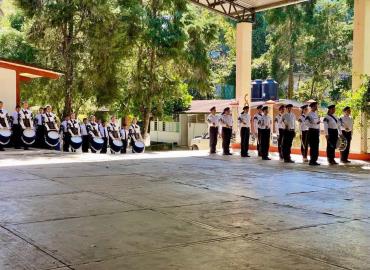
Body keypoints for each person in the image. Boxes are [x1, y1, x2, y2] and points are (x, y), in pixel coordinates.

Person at [305, 102, 321, 166]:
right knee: (313, 146)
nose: (316, 107)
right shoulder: (309, 114)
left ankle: (315, 160)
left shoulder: (316, 114)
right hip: (312, 131)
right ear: (312, 107)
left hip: (316, 131)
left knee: (316, 146)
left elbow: (318, 123)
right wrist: (312, 124)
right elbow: (306, 123)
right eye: (315, 106)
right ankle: (312, 161)